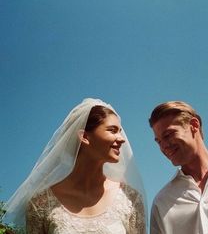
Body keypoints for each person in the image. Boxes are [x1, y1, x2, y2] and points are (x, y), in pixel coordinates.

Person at [3, 98, 147, 233]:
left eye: (120, 132)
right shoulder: (41, 204)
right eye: (112, 130)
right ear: (84, 136)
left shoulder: (129, 199)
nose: (121, 139)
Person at [148, 100, 208, 234]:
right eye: (158, 141)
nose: (163, 146)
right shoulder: (162, 202)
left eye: (168, 135)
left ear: (194, 125)